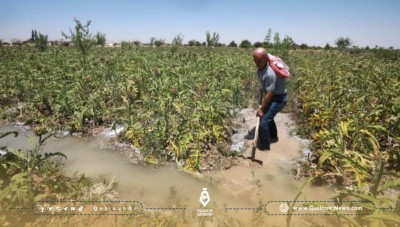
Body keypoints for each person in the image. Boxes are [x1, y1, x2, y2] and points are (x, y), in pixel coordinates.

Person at [252, 47, 288, 150]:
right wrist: (261, 89)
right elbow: (264, 85)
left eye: (259, 61)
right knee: (267, 118)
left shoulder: (270, 73)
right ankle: (272, 137)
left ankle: (263, 148)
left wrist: (261, 109)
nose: (256, 63)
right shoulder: (261, 68)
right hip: (272, 95)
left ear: (266, 59)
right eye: (255, 60)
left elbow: (269, 94)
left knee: (263, 122)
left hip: (279, 98)